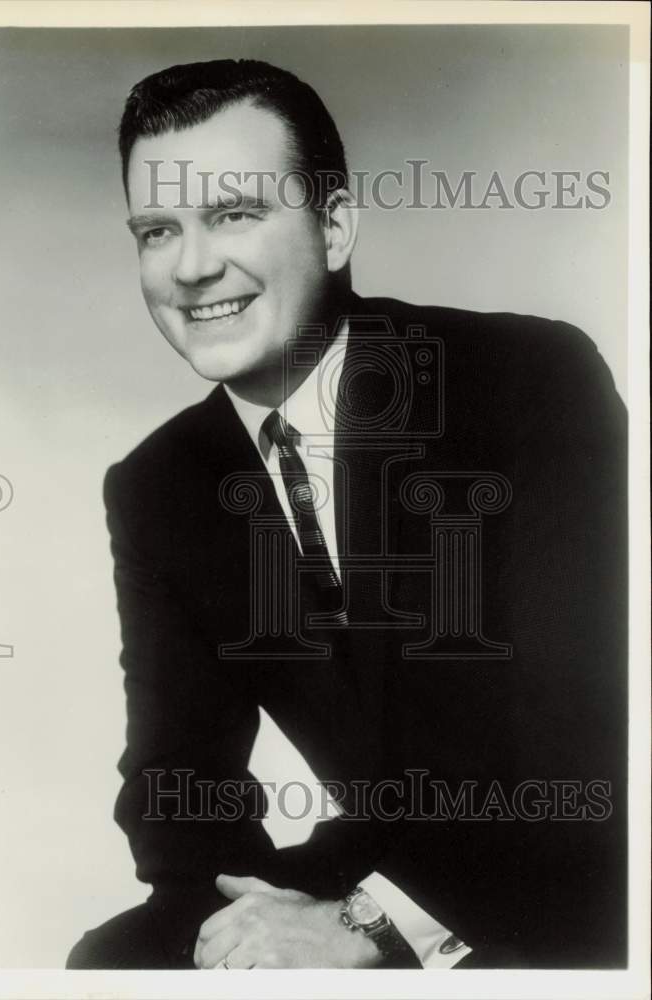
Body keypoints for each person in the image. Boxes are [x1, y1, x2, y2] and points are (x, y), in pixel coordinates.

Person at [67, 59, 626, 970]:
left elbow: (578, 736)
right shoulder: (158, 482)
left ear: (333, 226)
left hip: (571, 869)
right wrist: (249, 928)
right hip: (374, 863)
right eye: (157, 229)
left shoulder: (523, 380)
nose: (192, 266)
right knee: (118, 961)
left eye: (234, 213)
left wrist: (363, 926)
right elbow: (177, 781)